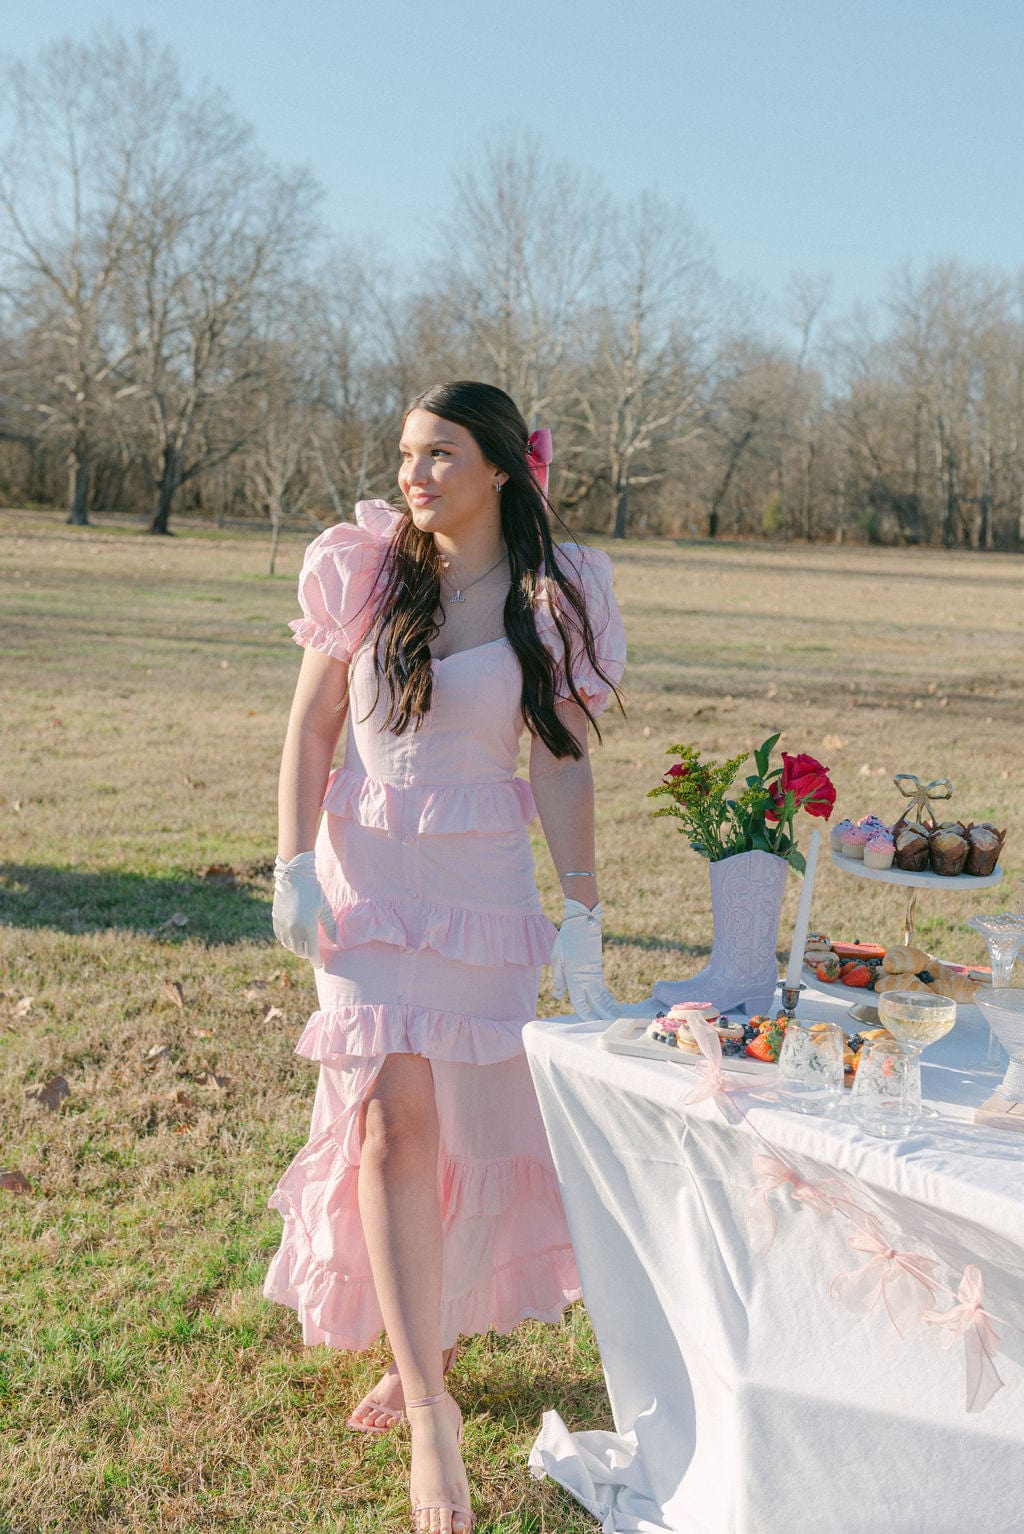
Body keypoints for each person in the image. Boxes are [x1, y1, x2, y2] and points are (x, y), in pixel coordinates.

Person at [265, 380, 625, 1533]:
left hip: (477, 885)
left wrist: (583, 910)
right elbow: (313, 724)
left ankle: (430, 1340)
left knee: (459, 1129)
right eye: (407, 453)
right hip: (364, 876)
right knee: (386, 1123)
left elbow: (561, 763)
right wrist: (290, 861)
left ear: (504, 468)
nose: (414, 475)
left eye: (440, 454)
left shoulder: (550, 594)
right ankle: (432, 1409)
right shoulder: (364, 568)